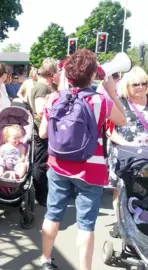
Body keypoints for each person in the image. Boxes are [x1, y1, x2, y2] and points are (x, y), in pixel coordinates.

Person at [37, 49, 126, 270]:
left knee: (53, 213)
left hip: (58, 165)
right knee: (86, 225)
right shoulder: (101, 101)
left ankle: (46, 260)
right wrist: (112, 92)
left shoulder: (54, 98)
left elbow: (42, 134)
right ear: (93, 75)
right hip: (91, 170)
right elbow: (122, 120)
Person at [106, 66, 148, 238]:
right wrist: (126, 143)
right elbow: (109, 129)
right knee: (121, 189)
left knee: (143, 189)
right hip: (124, 153)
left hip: (146, 154)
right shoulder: (120, 103)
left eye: (143, 83)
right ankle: (120, 223)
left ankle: (141, 220)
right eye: (135, 84)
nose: (140, 87)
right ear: (127, 85)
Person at [27, 58, 60, 206]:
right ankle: (41, 196)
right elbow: (40, 110)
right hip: (41, 131)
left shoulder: (42, 86)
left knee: (40, 163)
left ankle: (41, 194)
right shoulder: (42, 88)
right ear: (52, 73)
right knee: (39, 164)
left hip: (43, 131)